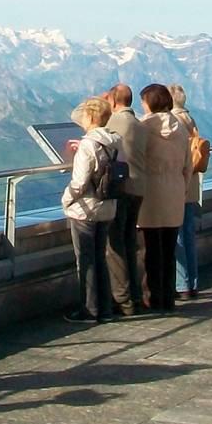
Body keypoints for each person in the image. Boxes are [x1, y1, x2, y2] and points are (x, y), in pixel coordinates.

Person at [61, 97, 119, 322]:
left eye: (84, 114)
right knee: (100, 257)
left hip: (86, 209)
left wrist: (65, 200)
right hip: (107, 205)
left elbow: (80, 181)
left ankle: (89, 309)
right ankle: (105, 309)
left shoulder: (88, 145)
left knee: (86, 260)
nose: (81, 118)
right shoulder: (114, 142)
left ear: (91, 117)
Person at [137, 83, 192, 311]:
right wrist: (181, 188)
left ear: (149, 102)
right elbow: (188, 166)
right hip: (174, 191)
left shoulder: (142, 127)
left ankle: (151, 296)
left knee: (148, 249)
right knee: (169, 250)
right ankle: (168, 296)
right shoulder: (180, 128)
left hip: (149, 193)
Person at [103, 83, 147, 315]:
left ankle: (122, 298)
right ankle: (136, 296)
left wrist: (101, 105)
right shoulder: (140, 124)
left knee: (115, 244)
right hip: (140, 187)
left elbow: (87, 123)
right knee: (130, 241)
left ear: (113, 100)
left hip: (122, 188)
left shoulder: (114, 124)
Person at [169, 84, 203, 300]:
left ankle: (181, 284)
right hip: (192, 185)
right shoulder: (190, 119)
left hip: (179, 186)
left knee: (179, 238)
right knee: (188, 236)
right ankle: (193, 282)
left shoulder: (174, 121)